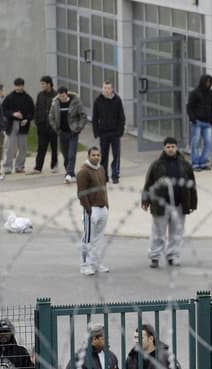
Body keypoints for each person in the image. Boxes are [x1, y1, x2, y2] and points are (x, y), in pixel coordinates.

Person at [141, 137, 197, 269]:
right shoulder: (156, 165)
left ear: (176, 148)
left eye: (173, 147)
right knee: (158, 233)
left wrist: (192, 203)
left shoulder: (185, 165)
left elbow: (192, 185)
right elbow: (149, 183)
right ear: (164, 148)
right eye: (168, 147)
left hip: (179, 204)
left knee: (176, 232)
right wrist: (145, 199)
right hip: (161, 205)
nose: (170, 149)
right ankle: (154, 256)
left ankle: (173, 255)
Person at [76, 146, 109, 276]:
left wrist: (107, 205)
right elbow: (81, 193)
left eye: (98, 155)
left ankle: (96, 263)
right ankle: (84, 265)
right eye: (93, 155)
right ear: (89, 156)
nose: (96, 157)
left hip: (103, 208)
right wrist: (88, 209)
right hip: (91, 210)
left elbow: (104, 188)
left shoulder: (101, 169)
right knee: (88, 239)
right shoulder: (83, 172)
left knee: (99, 239)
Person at [48, 86, 87, 185]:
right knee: (65, 155)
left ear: (67, 94)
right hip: (62, 133)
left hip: (73, 132)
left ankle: (68, 174)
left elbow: (83, 116)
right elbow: (51, 117)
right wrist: (56, 129)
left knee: (71, 154)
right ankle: (71, 173)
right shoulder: (55, 104)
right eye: (60, 96)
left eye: (64, 96)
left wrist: (78, 127)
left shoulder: (75, 102)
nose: (62, 98)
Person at [92, 81, 125, 184]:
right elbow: (95, 118)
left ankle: (115, 175)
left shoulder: (117, 100)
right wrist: (97, 132)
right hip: (104, 133)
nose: (106, 90)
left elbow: (121, 117)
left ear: (112, 89)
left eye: (108, 88)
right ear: (102, 89)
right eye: (105, 88)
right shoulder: (98, 101)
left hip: (115, 133)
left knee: (116, 155)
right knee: (103, 156)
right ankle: (104, 176)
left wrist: (120, 132)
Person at [2, 78, 35, 174]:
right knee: (10, 147)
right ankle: (7, 167)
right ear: (14, 86)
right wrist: (13, 114)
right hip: (12, 124)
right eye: (16, 86)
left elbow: (32, 112)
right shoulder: (9, 97)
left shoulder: (28, 98)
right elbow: (4, 110)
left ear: (23, 86)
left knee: (23, 147)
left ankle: (19, 166)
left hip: (23, 125)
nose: (18, 87)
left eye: (20, 85)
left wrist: (27, 120)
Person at [186, 74, 212, 171]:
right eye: (206, 81)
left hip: (207, 123)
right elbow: (189, 107)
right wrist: (193, 119)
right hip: (197, 122)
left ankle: (203, 162)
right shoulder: (195, 93)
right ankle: (195, 164)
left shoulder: (211, 93)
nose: (208, 83)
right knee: (195, 143)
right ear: (202, 81)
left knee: (208, 142)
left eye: (209, 82)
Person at [32, 75, 59, 174]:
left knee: (54, 147)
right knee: (41, 147)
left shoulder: (56, 95)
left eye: (43, 84)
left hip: (53, 126)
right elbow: (37, 108)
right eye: (41, 84)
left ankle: (54, 165)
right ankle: (38, 167)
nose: (42, 86)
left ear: (49, 84)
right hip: (42, 126)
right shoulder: (40, 95)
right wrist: (37, 121)